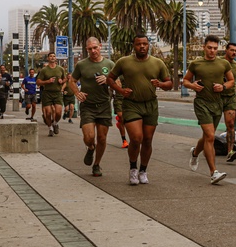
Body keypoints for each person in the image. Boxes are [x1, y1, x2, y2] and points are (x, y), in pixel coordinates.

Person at [107, 34, 173, 185]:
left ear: (148, 45)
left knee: (148, 140)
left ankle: (143, 170)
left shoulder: (157, 63)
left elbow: (169, 83)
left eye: (144, 44)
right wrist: (120, 90)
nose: (142, 46)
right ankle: (133, 169)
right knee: (136, 138)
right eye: (138, 44)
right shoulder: (124, 62)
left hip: (150, 104)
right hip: (131, 104)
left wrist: (160, 84)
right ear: (133, 46)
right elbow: (110, 78)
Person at [183, 35, 235, 185]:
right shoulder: (196, 64)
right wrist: (193, 86)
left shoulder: (223, 64)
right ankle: (214, 172)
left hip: (217, 103)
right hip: (201, 103)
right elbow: (186, 80)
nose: (212, 51)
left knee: (207, 137)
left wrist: (223, 86)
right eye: (209, 48)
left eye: (215, 48)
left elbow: (231, 81)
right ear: (204, 47)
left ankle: (194, 152)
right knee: (210, 136)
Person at [68, 37, 115, 178]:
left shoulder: (110, 64)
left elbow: (118, 82)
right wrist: (77, 92)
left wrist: (108, 80)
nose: (93, 51)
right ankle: (90, 147)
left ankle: (96, 164)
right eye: (90, 49)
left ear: (100, 46)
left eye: (95, 47)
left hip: (104, 105)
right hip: (88, 106)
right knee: (89, 137)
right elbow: (72, 80)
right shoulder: (82, 65)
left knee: (101, 138)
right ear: (87, 49)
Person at [221, 41, 236, 163]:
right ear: (226, 50)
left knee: (230, 124)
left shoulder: (235, 65)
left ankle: (230, 152)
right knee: (210, 127)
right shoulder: (218, 62)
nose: (234, 52)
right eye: (232, 50)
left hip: (230, 97)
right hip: (217, 97)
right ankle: (204, 147)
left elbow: (232, 81)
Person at [37, 53, 67, 136]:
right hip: (47, 93)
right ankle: (50, 128)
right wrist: (47, 81)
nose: (52, 58)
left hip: (57, 93)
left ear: (56, 58)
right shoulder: (44, 70)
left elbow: (65, 79)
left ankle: (55, 123)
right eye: (51, 56)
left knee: (58, 112)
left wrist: (62, 81)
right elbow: (38, 82)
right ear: (48, 58)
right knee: (48, 113)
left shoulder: (60, 69)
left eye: (54, 56)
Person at [112, 82, 128, 148]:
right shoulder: (117, 72)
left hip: (129, 99)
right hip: (118, 99)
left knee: (128, 119)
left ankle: (120, 122)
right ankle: (124, 140)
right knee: (121, 117)